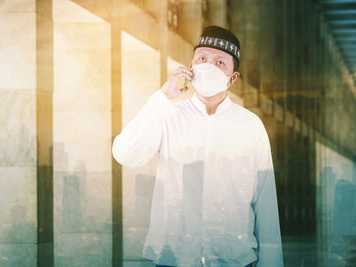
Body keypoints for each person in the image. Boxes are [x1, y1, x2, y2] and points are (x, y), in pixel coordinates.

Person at [112, 26, 284, 267]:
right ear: (191, 66)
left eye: (220, 62)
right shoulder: (168, 115)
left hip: (235, 259)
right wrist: (163, 97)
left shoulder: (250, 126)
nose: (208, 66)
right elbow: (124, 153)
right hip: (173, 258)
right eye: (202, 58)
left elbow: (265, 201)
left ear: (233, 77)